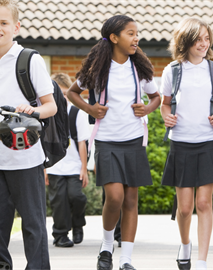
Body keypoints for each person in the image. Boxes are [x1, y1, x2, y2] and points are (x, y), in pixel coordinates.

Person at [0, 0, 57, 269]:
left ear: (15, 26)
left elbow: (50, 106)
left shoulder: (30, 60)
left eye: (3, 23)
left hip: (25, 157)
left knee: (33, 226)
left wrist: (32, 111)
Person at [67, 15, 161, 270]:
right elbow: (72, 93)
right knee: (115, 197)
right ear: (114, 38)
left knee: (131, 200)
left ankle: (126, 258)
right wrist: (91, 108)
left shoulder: (139, 68)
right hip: (107, 141)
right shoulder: (97, 69)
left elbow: (156, 97)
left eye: (136, 33)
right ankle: (107, 244)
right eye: (130, 33)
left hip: (134, 140)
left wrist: (147, 109)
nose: (136, 38)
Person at [160, 18, 213, 270]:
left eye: (206, 38)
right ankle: (185, 244)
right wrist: (166, 115)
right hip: (180, 144)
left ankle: (201, 260)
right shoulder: (173, 70)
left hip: (207, 144)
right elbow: (165, 103)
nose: (204, 43)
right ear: (185, 41)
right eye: (198, 39)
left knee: (203, 203)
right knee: (184, 208)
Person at [45, 73, 90, 248]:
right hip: (54, 167)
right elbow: (42, 143)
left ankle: (78, 224)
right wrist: (44, 169)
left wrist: (84, 169)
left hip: (74, 166)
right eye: (58, 94)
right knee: (59, 201)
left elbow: (82, 143)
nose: (62, 98)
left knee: (76, 196)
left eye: (65, 94)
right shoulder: (48, 113)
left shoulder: (76, 113)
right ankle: (60, 234)